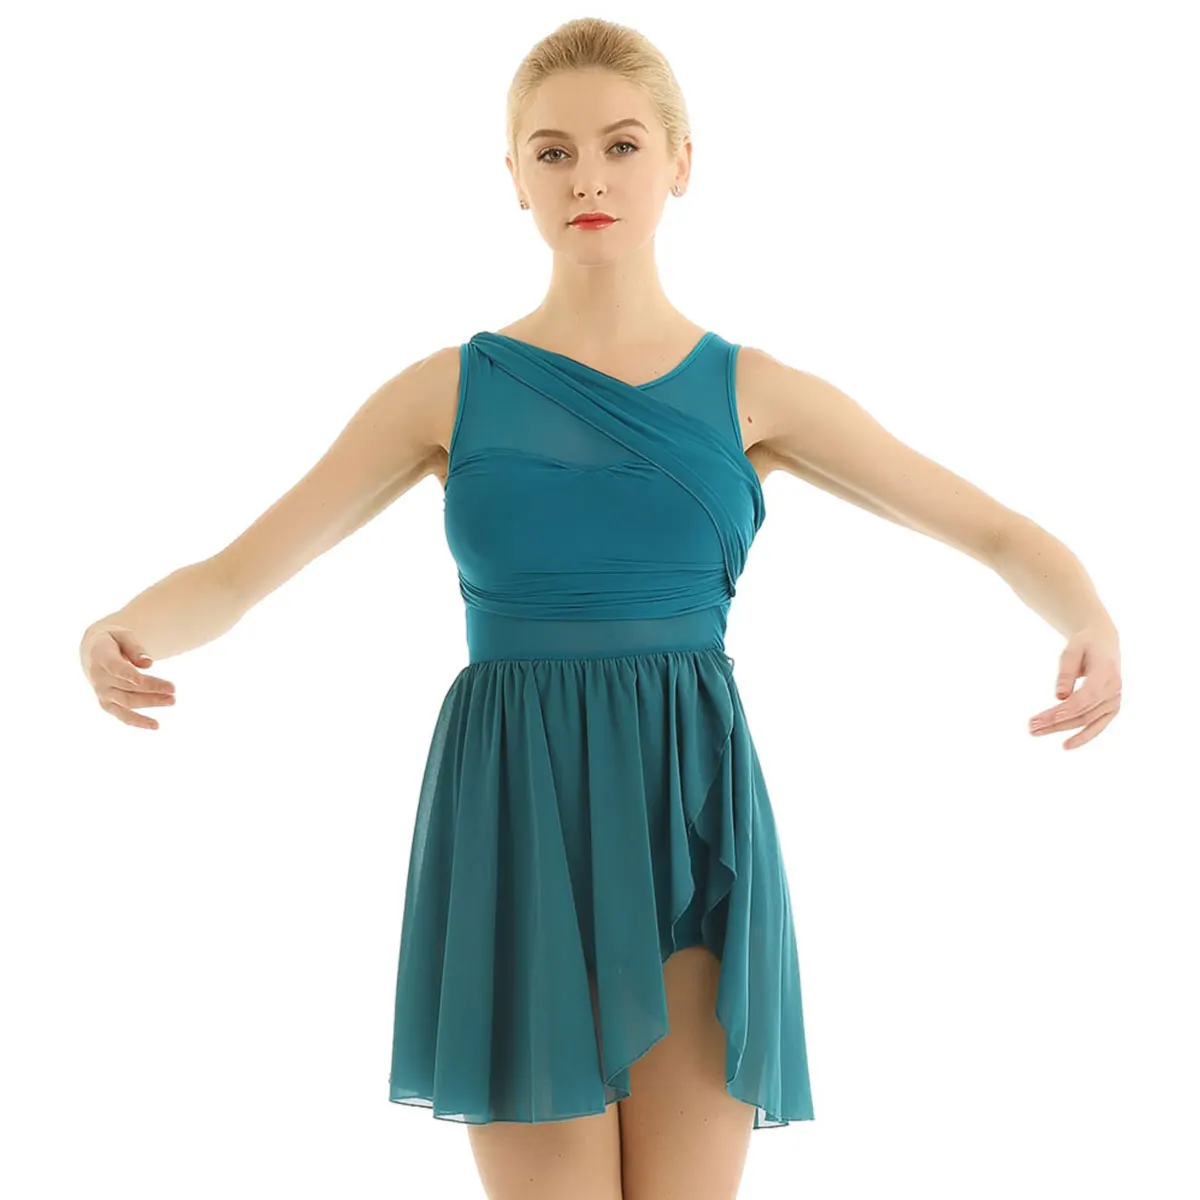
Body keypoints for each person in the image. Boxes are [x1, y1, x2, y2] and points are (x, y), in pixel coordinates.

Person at [76, 16, 1123, 1200]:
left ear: (681, 162)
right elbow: (236, 573)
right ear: (513, 174)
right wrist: (119, 630)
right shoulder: (446, 391)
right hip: (515, 811)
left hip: (690, 807)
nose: (588, 178)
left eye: (622, 145)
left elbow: (994, 529)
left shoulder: (754, 390)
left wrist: (1086, 615)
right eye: (554, 151)